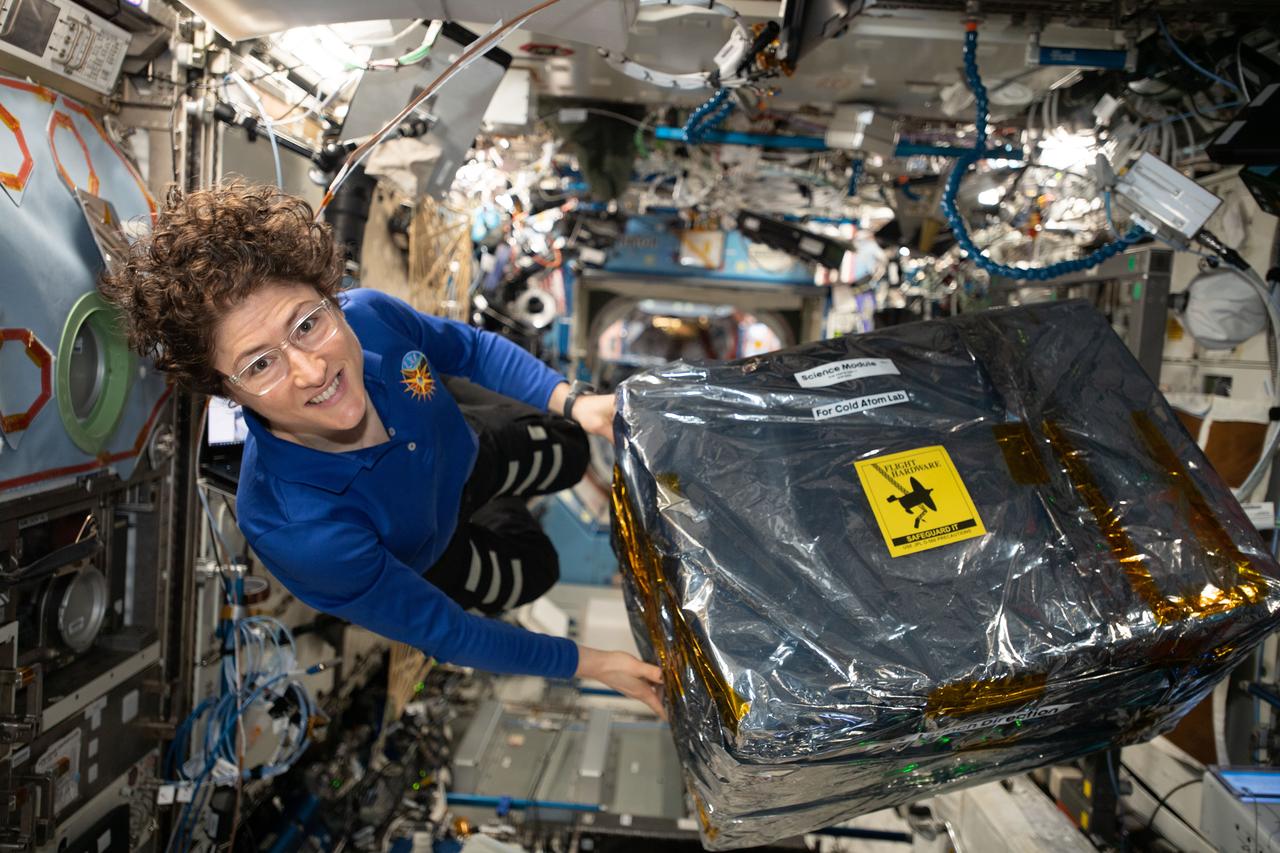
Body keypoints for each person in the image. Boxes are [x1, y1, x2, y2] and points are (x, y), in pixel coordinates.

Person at [100, 182, 665, 717]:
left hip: (467, 452)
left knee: (570, 448)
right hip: (437, 551)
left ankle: (498, 478)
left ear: (332, 299)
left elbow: (469, 350)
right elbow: (448, 632)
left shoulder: (371, 317)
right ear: (226, 391)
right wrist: (592, 664)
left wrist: (575, 402)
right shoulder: (298, 530)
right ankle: (493, 512)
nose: (311, 370)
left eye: (306, 324)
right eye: (261, 363)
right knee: (536, 571)